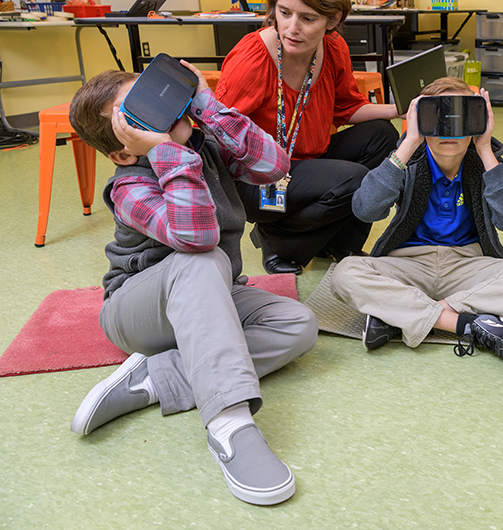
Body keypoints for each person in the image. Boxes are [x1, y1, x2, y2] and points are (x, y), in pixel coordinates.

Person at [67, 65, 318, 505]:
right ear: (124, 151)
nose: (164, 112)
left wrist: (205, 102)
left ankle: (156, 378)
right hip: (137, 310)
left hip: (213, 291)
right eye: (139, 114)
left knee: (296, 323)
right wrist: (167, 152)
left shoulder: (203, 142)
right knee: (202, 259)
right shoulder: (129, 184)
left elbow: (274, 164)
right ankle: (229, 425)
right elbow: (195, 237)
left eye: (156, 96)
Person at [330, 77, 503, 366]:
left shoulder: (481, 163)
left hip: (467, 264)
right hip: (408, 264)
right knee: (345, 273)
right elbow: (365, 209)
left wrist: (485, 148)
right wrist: (409, 142)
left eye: (460, 120)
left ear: (476, 122)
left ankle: (398, 316)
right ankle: (466, 324)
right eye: (436, 120)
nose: (448, 133)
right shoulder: (408, 161)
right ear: (420, 123)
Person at [216, 0, 400, 275]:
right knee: (357, 182)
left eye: (308, 18)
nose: (291, 28)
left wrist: (401, 109)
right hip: (259, 177)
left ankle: (341, 242)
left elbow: (347, 107)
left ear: (332, 19)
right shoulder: (252, 58)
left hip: (309, 160)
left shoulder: (333, 48)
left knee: (383, 136)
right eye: (284, 12)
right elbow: (217, 133)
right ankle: (278, 241)